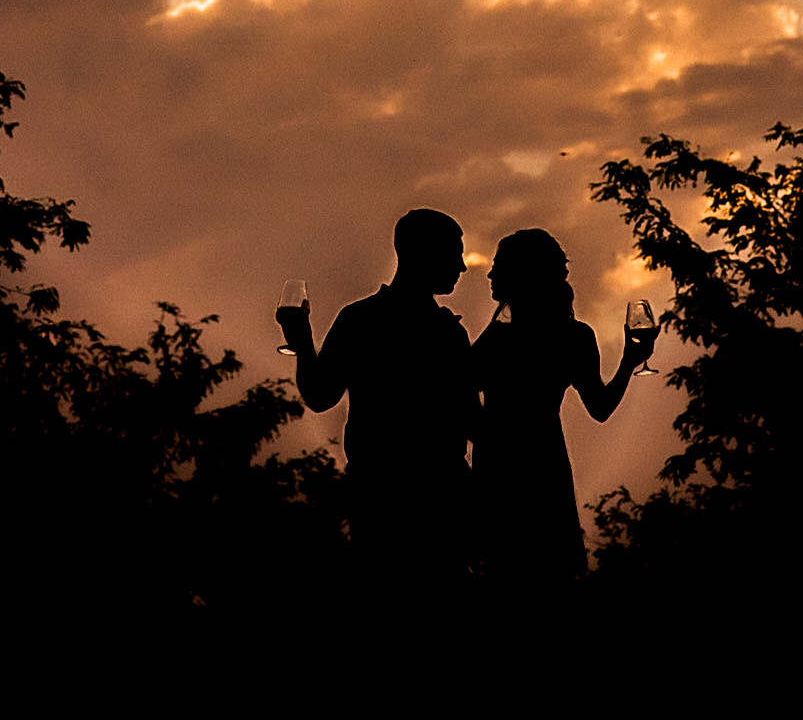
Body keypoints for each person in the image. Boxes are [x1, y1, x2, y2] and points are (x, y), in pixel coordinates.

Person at [278, 208, 477, 592]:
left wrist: (304, 344)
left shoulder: (360, 319)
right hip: (436, 502)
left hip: (378, 499)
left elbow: (319, 396)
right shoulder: (447, 334)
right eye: (454, 253)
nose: (462, 266)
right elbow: (473, 423)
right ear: (421, 253)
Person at [469, 228, 654, 587]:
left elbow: (458, 389)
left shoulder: (498, 337)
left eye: (499, 267)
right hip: (545, 462)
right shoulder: (574, 335)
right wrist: (628, 364)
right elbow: (600, 407)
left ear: (522, 274)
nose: (490, 275)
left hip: (498, 466)